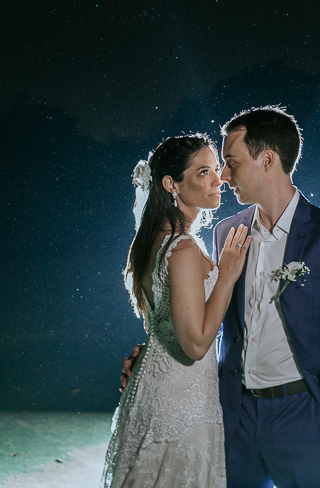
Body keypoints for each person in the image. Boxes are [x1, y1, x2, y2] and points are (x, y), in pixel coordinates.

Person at [122, 107, 320, 487]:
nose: (223, 176)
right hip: (235, 417)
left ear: (267, 160)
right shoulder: (226, 233)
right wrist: (154, 353)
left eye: (230, 163)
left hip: (304, 418)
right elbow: (199, 315)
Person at [103, 133, 251, 488]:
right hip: (180, 406)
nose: (219, 180)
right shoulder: (182, 248)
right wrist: (227, 275)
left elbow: (165, 324)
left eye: (217, 169)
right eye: (203, 172)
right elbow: (197, 344)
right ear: (172, 184)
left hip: (157, 389)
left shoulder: (157, 238)